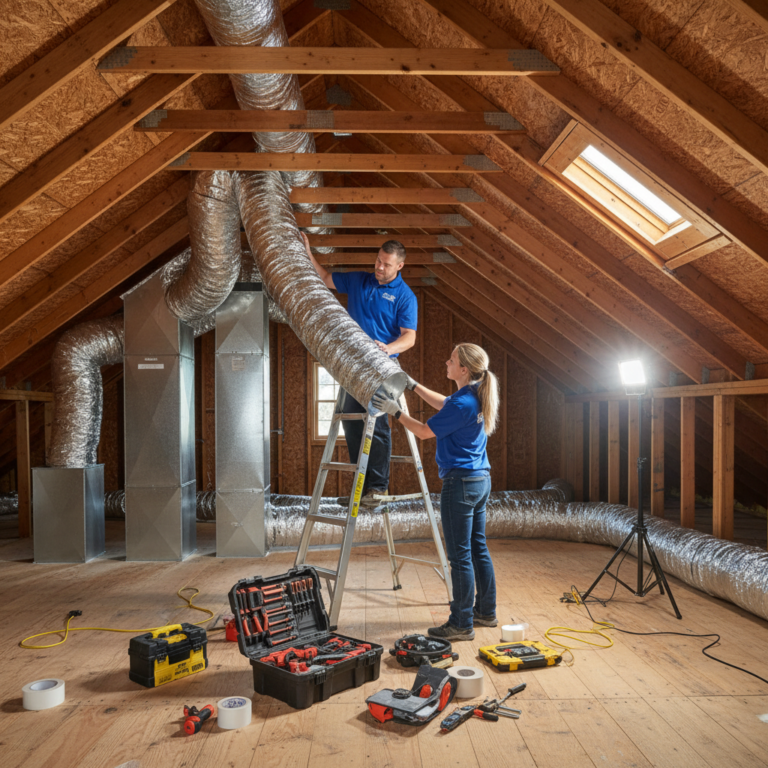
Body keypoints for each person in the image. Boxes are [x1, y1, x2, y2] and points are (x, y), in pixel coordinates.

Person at [372, 343, 499, 641]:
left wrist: (396, 412)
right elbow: (445, 404)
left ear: (464, 369)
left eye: (452, 360)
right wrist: (413, 385)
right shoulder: (473, 395)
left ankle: (461, 623)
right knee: (477, 548)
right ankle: (485, 611)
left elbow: (425, 431)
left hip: (461, 484)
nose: (447, 362)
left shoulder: (464, 403)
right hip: (479, 480)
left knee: (460, 556)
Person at [302, 231, 418, 505]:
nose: (379, 267)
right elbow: (324, 277)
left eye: (386, 264)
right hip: (352, 369)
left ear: (399, 266)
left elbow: (409, 337)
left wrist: (388, 348)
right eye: (378, 260)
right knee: (351, 423)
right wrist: (307, 251)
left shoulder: (404, 296)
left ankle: (378, 488)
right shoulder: (358, 280)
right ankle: (361, 489)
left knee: (376, 425)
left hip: (380, 369)